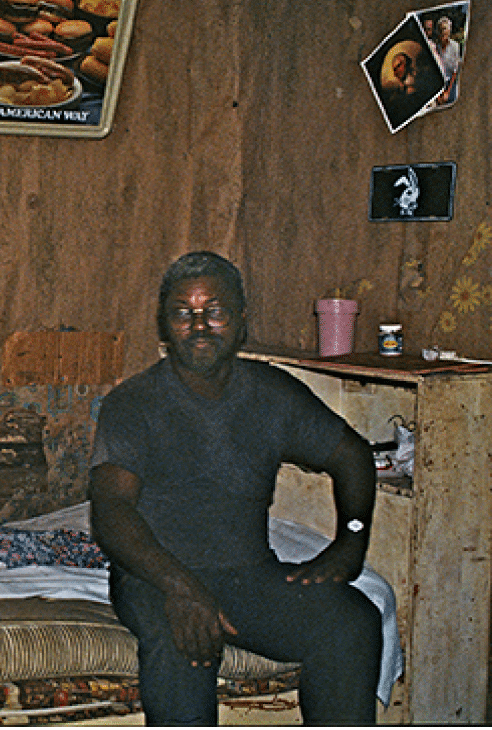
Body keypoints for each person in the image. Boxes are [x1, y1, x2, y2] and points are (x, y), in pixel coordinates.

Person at [88, 251, 384, 725]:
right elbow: (111, 510)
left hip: (247, 575)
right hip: (155, 577)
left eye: (215, 311)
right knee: (186, 643)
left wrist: (350, 542)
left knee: (353, 620)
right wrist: (181, 587)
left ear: (241, 321)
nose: (199, 325)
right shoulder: (134, 402)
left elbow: (353, 456)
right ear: (165, 326)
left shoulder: (272, 394)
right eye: (183, 313)